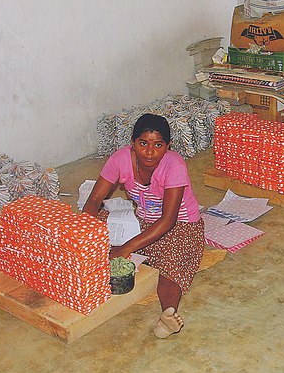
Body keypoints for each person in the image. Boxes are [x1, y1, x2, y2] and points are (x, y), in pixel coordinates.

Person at [82, 114, 204, 338]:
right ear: (133, 143)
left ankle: (168, 314)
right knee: (95, 222)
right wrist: (83, 237)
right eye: (143, 143)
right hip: (140, 221)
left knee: (169, 264)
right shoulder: (120, 160)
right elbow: (93, 201)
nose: (149, 152)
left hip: (180, 225)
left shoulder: (174, 164)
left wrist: (126, 248)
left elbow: (168, 220)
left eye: (158, 145)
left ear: (167, 147)